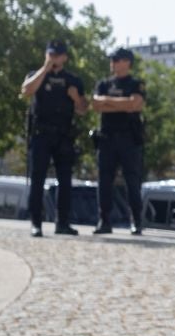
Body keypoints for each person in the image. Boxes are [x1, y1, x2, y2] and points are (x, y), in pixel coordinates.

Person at [20, 40, 87, 237]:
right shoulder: (36, 75)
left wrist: (76, 98)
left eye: (58, 55)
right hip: (41, 134)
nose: (54, 58)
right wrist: (45, 69)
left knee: (65, 181)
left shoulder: (73, 80)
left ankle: (63, 222)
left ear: (65, 57)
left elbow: (83, 109)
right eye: (51, 54)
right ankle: (36, 223)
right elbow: (26, 91)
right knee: (37, 179)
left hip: (64, 135)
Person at [92, 47, 146, 235]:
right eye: (112, 59)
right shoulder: (104, 84)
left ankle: (136, 221)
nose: (112, 63)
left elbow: (135, 104)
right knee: (105, 181)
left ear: (127, 62)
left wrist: (109, 102)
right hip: (107, 138)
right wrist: (122, 104)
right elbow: (97, 105)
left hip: (129, 139)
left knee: (132, 180)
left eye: (117, 60)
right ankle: (104, 220)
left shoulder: (135, 83)